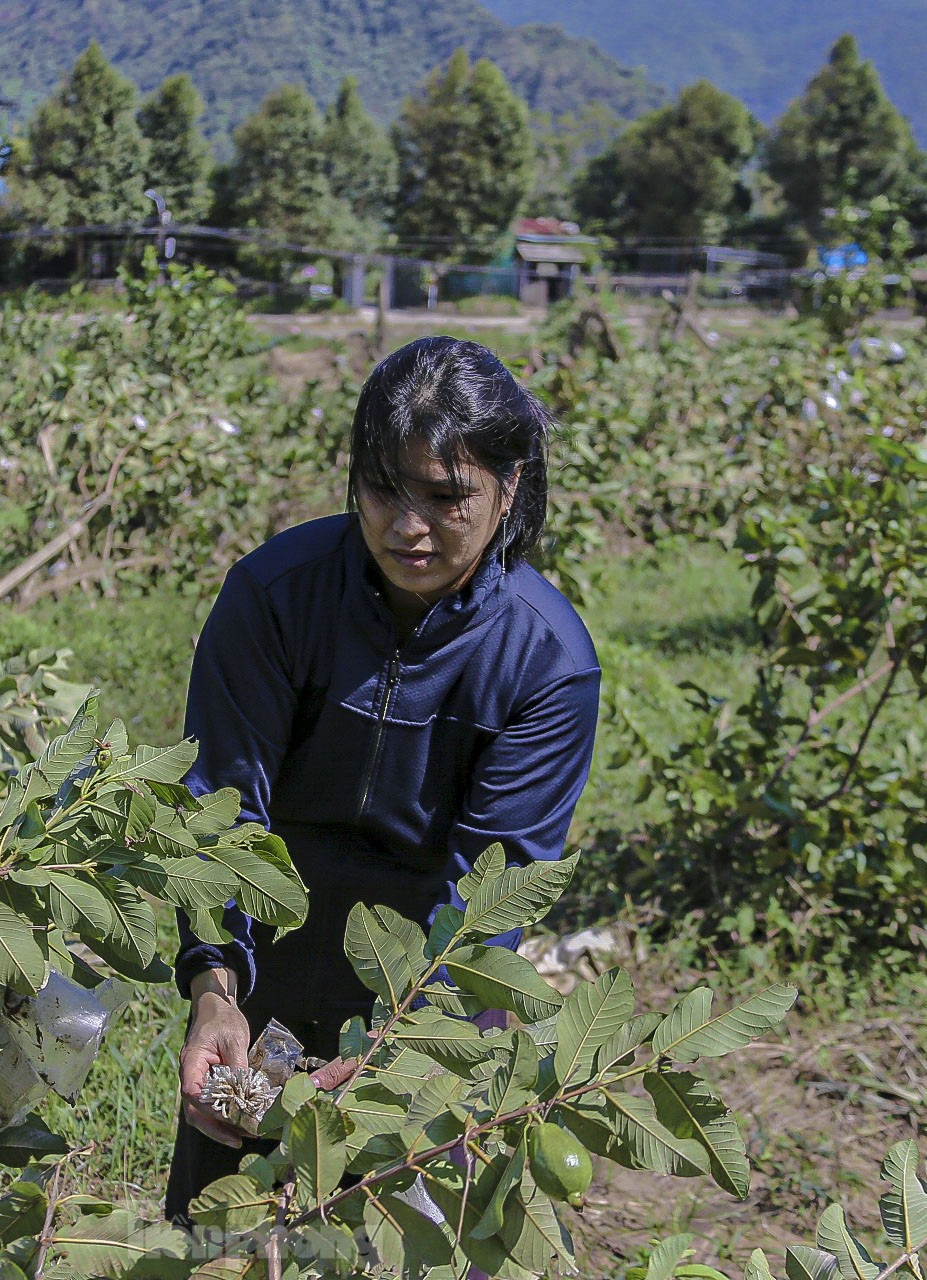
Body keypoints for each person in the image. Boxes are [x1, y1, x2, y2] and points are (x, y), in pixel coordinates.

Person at [164, 335, 602, 1223]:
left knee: (396, 1233)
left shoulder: (546, 664)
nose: (409, 528)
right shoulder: (274, 597)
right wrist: (216, 990)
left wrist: (405, 1042)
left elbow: (491, 896)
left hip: (430, 994)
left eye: (447, 499)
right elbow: (219, 809)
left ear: (508, 487)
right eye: (383, 490)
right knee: (221, 1237)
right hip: (272, 971)